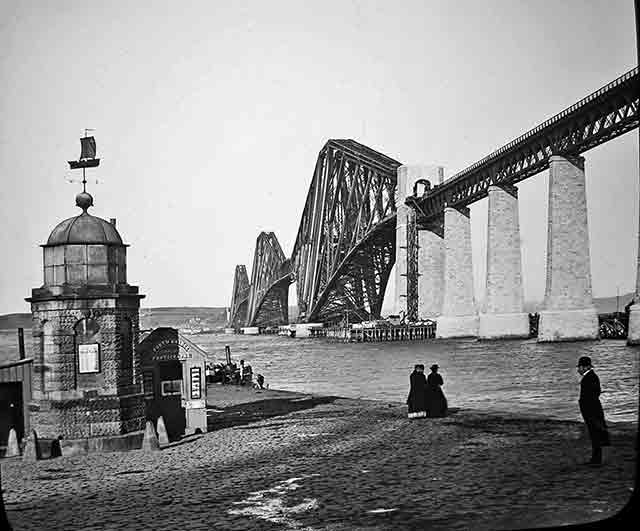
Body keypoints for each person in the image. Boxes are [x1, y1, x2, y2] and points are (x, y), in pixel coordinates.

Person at [577, 356, 610, 465]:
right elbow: (596, 392)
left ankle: (596, 460)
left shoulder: (589, 377)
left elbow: (592, 394)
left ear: (585, 367)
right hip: (593, 409)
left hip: (591, 411)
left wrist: (586, 407)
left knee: (594, 434)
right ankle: (595, 459)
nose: (578, 370)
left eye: (579, 367)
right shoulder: (592, 376)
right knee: (595, 434)